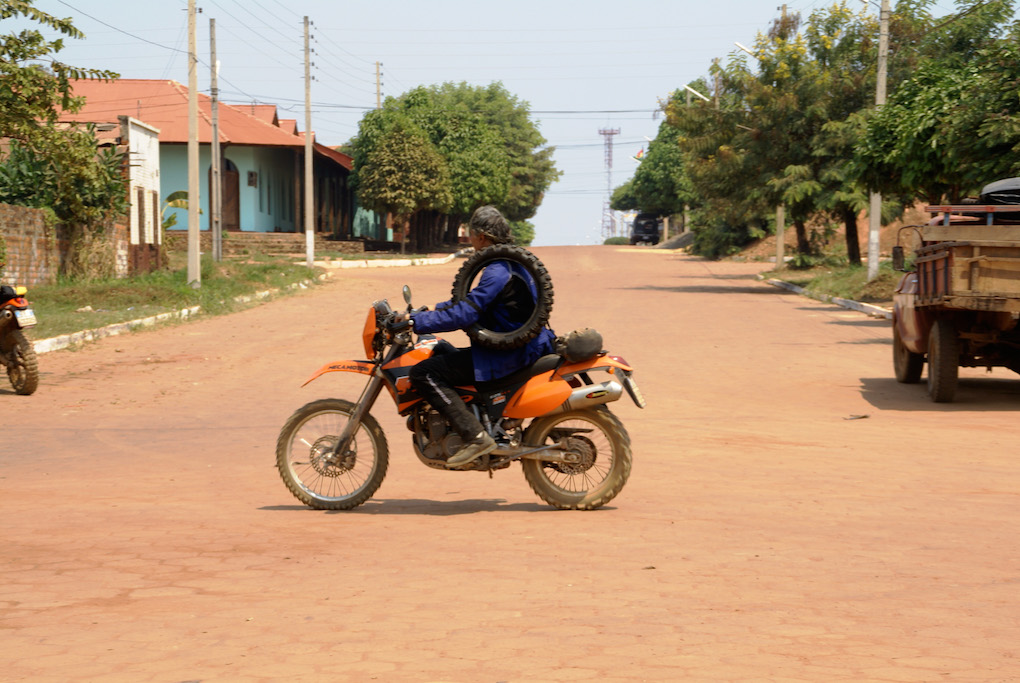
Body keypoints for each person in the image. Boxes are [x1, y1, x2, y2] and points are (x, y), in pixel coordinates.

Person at [402, 205, 556, 469]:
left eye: (471, 234)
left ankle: (475, 436)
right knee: (440, 350)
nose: (471, 239)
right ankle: (478, 419)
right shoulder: (515, 264)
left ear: (481, 237)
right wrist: (431, 310)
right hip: (525, 347)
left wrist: (416, 322)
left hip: (508, 354)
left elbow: (465, 314)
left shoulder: (496, 271)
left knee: (424, 373)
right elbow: (473, 302)